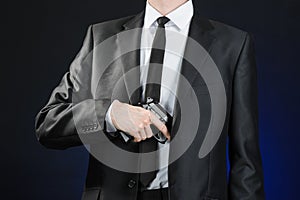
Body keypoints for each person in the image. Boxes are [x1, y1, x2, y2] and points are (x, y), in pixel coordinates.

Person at [35, 0, 265, 199]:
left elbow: (246, 160)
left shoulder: (233, 45)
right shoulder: (101, 36)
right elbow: (48, 123)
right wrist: (110, 114)